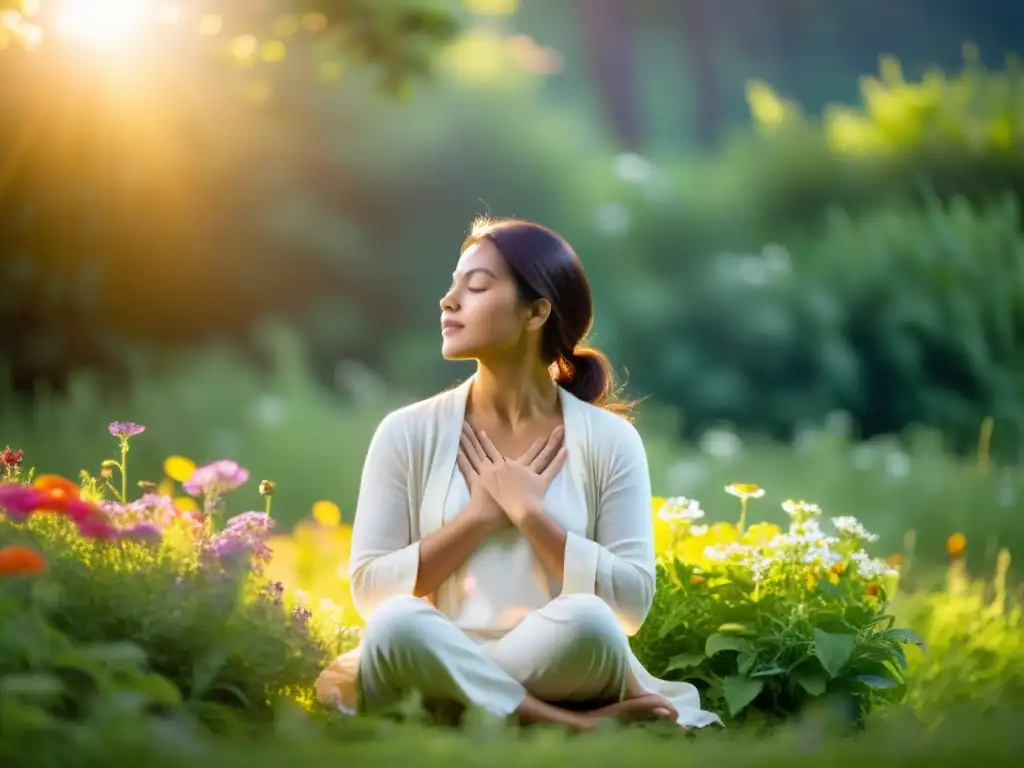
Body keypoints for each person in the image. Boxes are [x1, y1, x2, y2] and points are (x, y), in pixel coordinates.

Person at [315, 217, 720, 731]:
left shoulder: (610, 441)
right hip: (437, 641)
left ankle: (456, 701)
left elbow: (631, 606)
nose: (449, 300)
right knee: (396, 622)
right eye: (452, 283)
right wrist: (480, 516)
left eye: (476, 286)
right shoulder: (406, 432)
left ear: (536, 313)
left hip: (551, 654)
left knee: (592, 621)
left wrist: (532, 516)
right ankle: (567, 723)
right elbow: (370, 591)